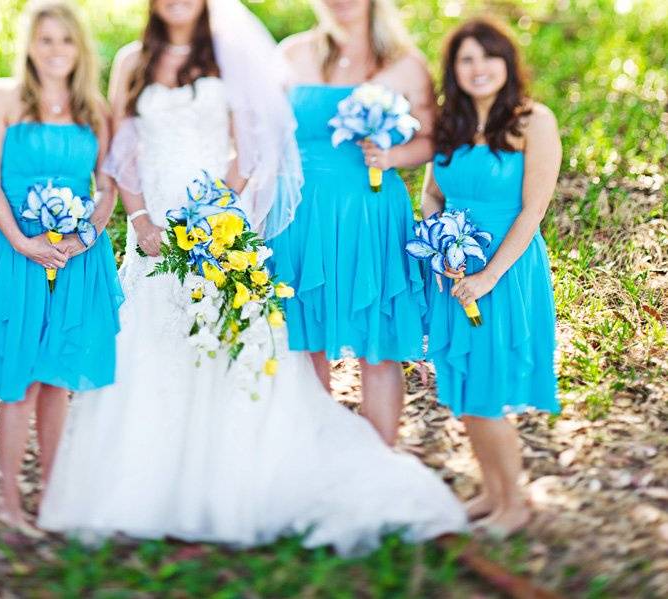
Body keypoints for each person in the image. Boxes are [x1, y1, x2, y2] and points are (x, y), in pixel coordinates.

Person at [38, 0, 466, 555]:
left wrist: (215, 216)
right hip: (152, 233)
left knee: (224, 350)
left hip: (217, 223)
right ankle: (154, 490)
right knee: (154, 350)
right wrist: (141, 218)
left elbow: (253, 148)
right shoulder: (131, 60)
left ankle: (234, 487)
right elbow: (121, 147)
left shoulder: (229, 54)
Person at [0, 0, 122, 532]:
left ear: (81, 49)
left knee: (57, 382)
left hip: (77, 257)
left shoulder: (94, 110)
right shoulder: (3, 98)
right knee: (21, 381)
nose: (56, 50)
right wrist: (20, 242)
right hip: (16, 255)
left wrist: (88, 233)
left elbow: (108, 185)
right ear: (29, 45)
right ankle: (8, 501)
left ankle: (53, 497)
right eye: (46, 39)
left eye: (66, 40)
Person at [268, 0, 436, 445]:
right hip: (299, 213)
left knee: (376, 341)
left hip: (371, 212)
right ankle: (318, 457)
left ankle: (377, 462)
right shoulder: (292, 53)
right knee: (305, 338)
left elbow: (434, 138)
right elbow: (259, 133)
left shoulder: (406, 63)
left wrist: (395, 156)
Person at [421, 17, 561, 536]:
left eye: (488, 56)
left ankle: (515, 505)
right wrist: (438, 240)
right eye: (466, 59)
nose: (478, 68)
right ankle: (492, 491)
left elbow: (532, 211)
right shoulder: (448, 123)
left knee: (485, 392)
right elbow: (433, 194)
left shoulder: (532, 120)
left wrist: (489, 277)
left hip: (505, 269)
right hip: (453, 267)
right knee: (463, 387)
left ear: (507, 62)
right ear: (454, 71)